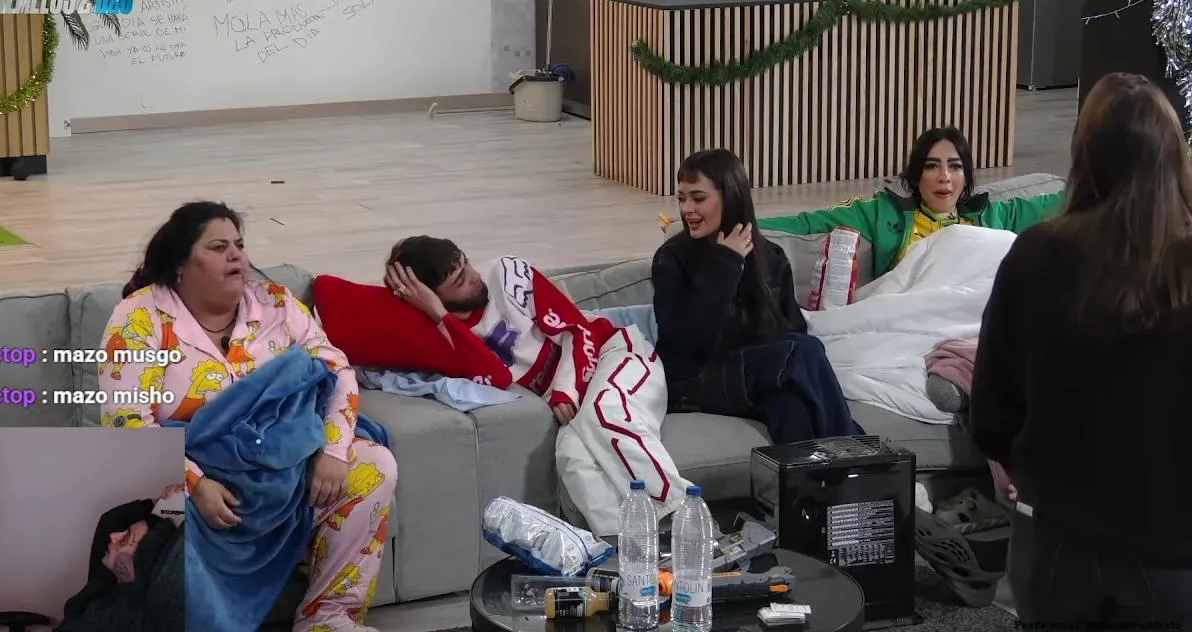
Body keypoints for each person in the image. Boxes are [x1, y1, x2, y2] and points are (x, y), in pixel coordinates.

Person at [97, 201, 396, 632]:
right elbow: (127, 423)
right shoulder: (139, 317)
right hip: (200, 474)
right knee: (169, 523)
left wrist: (333, 450)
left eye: (239, 245)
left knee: (373, 466)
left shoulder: (276, 303)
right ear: (180, 264)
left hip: (287, 460)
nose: (236, 256)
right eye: (219, 247)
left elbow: (337, 370)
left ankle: (328, 619)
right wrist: (197, 485)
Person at [969, 72, 1192, 626]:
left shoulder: (1035, 255)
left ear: (1083, 155)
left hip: (1055, 540)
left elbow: (992, 414)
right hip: (1173, 550)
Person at [384, 237, 691, 535]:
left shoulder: (506, 273)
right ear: (433, 298)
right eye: (460, 281)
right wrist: (440, 316)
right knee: (574, 461)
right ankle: (630, 552)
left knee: (603, 411)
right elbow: (497, 377)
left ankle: (686, 519)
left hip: (614, 353)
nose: (475, 277)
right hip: (575, 408)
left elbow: (577, 329)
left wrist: (565, 389)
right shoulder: (442, 337)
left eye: (467, 264)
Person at [651, 148, 862, 445]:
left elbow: (791, 330)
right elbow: (684, 343)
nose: (687, 209)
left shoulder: (771, 257)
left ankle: (818, 476)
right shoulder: (671, 258)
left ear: (731, 198)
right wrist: (726, 263)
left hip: (753, 376)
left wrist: (773, 363)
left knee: (793, 409)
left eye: (698, 198)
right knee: (804, 350)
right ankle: (859, 453)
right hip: (693, 382)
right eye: (682, 198)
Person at [754, 126, 1064, 281]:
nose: (944, 177)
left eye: (955, 167)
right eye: (932, 167)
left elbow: (1062, 202)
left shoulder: (994, 214)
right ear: (916, 176)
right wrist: (742, 220)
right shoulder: (883, 212)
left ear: (966, 177)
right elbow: (808, 223)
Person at [57, 486, 185, 632]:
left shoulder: (137, 615)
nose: (113, 536)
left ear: (142, 563)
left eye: (125, 540)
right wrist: (163, 504)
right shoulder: (105, 584)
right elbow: (111, 520)